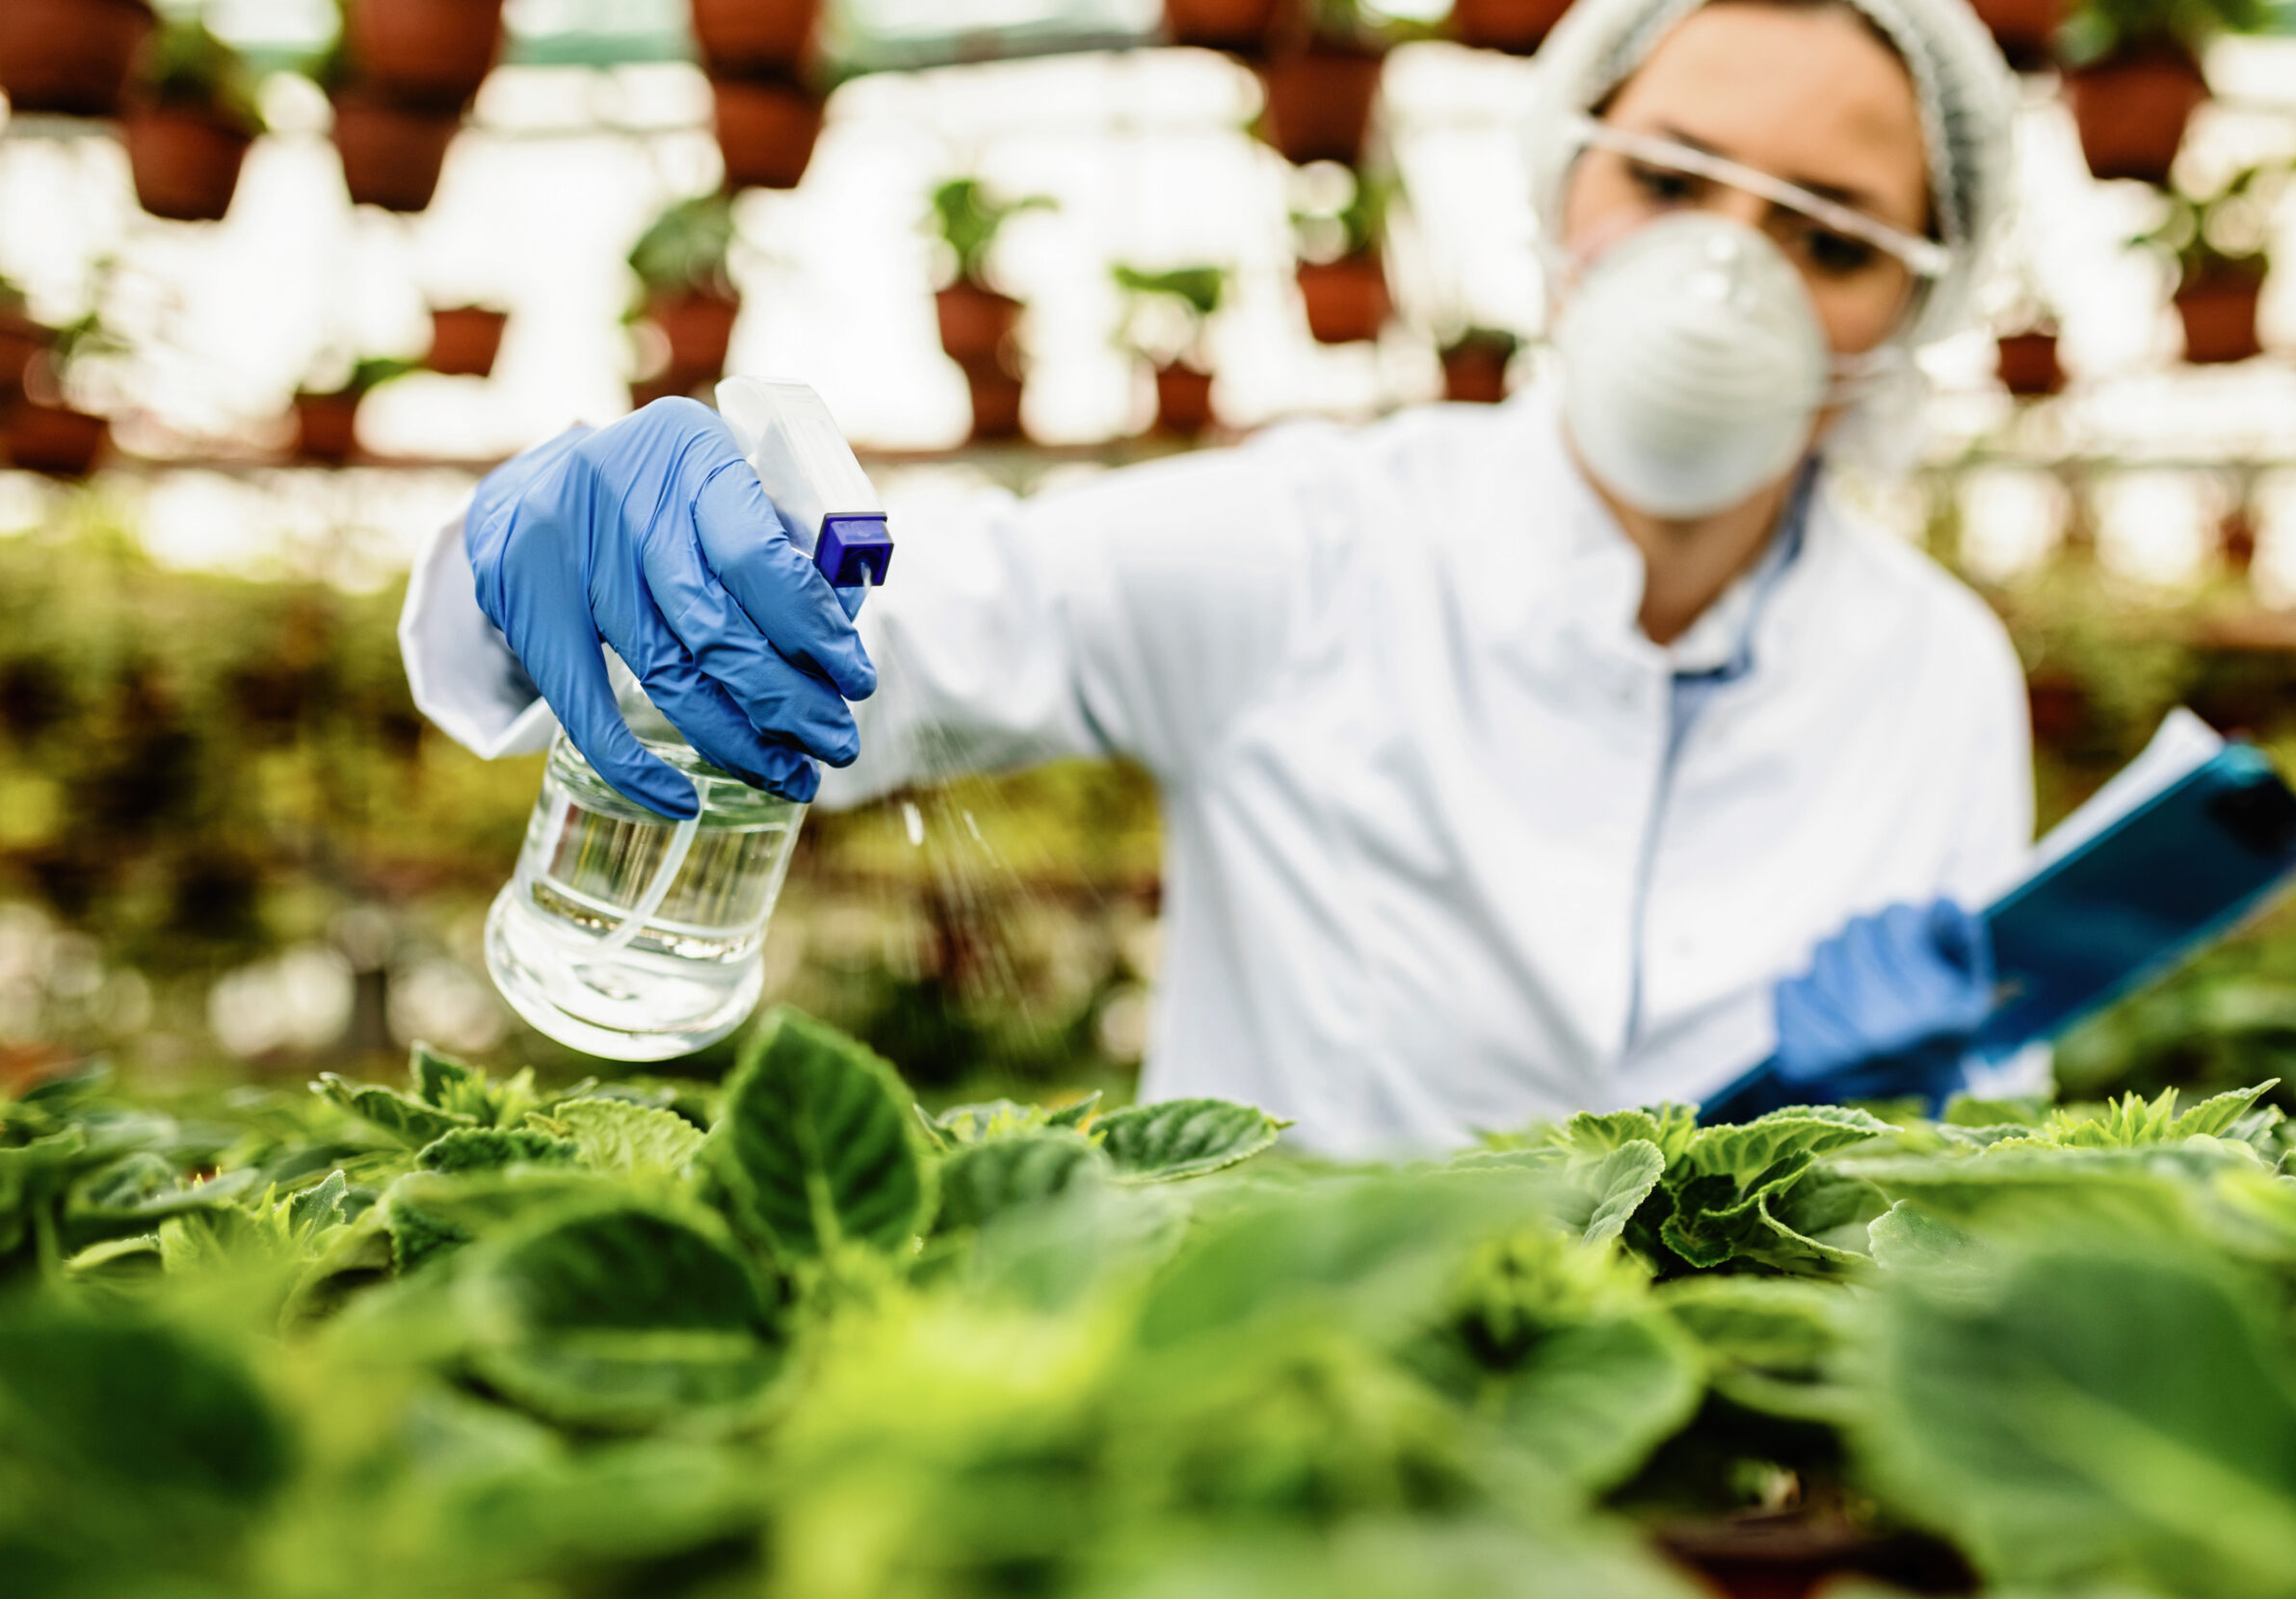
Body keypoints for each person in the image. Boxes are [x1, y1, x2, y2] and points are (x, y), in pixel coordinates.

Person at [400, 0, 2033, 1157]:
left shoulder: (1939, 674)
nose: (1720, 276)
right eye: (1670, 184)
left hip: (1729, 1481)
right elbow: (881, 627)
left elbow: (1999, 1127)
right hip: (1277, 1450)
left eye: (1829, 234)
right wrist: (601, 550)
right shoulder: (1313, 547)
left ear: (1922, 301)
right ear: (1563, 188)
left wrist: (1917, 1110)